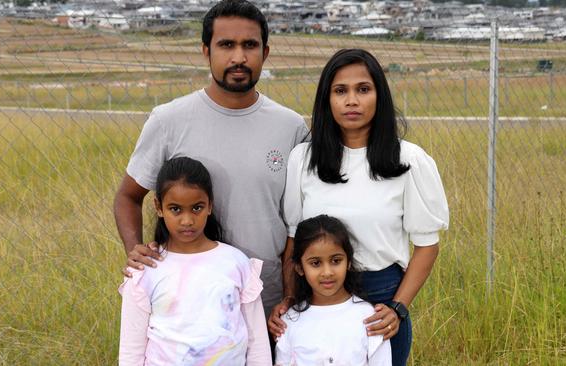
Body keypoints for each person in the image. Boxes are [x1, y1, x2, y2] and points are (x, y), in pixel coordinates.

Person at [113, 0, 308, 316]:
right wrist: (135, 250)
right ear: (206, 51)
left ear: (266, 52)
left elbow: (298, 223)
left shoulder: (290, 127)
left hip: (269, 303)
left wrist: (291, 293)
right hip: (188, 305)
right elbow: (127, 197)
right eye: (226, 45)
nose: (239, 57)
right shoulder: (168, 120)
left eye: (250, 45)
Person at [269, 49, 449, 365]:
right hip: (316, 301)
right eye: (341, 91)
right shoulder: (303, 159)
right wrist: (289, 297)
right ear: (327, 99)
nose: (352, 101)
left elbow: (426, 246)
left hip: (381, 301)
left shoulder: (409, 161)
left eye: (363, 89)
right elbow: (294, 240)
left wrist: (398, 307)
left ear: (379, 96)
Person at [118, 157, 271, 365]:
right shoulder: (145, 270)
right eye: (176, 209)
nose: (187, 220)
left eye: (197, 208)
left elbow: (257, 343)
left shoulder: (236, 263)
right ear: (159, 207)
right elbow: (131, 352)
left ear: (210, 205)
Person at [274, 215, 391, 366]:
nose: (327, 272)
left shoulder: (370, 318)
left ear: (348, 262)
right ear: (300, 268)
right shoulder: (289, 322)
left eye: (336, 261)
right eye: (316, 263)